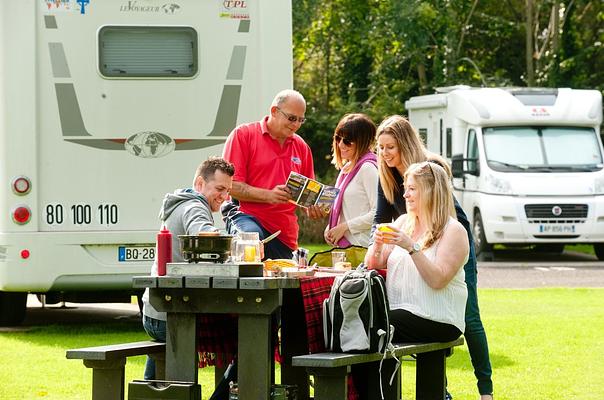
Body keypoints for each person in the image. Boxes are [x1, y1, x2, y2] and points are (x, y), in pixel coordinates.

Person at [366, 115, 494, 400]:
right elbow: (380, 219)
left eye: (390, 147)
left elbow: (443, 217)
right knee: (395, 312)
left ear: (405, 144)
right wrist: (378, 242)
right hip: (415, 231)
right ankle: (440, 391)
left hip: (444, 237)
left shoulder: (429, 171)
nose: (385, 154)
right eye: (381, 147)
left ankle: (485, 390)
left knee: (469, 315)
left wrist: (413, 244)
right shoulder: (387, 176)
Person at [356, 161, 468, 399]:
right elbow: (373, 265)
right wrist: (376, 244)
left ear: (430, 190)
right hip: (400, 313)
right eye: (405, 188)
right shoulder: (403, 221)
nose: (404, 194)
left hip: (438, 317)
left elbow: (438, 280)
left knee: (370, 326)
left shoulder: (454, 231)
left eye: (412, 189)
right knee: (361, 325)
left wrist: (411, 246)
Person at [141, 157, 235, 398]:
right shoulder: (194, 207)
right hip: (170, 314)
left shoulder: (180, 203)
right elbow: (203, 232)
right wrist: (233, 243)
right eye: (220, 189)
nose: (225, 196)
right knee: (252, 339)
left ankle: (152, 392)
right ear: (200, 183)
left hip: (156, 310)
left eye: (228, 191)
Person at [221, 89, 318, 259]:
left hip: (284, 234)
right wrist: (269, 195)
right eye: (291, 118)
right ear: (274, 111)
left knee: (283, 283)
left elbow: (307, 196)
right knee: (251, 243)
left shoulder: (302, 147)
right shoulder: (243, 135)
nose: (296, 125)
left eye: (301, 120)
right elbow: (230, 187)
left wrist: (314, 207)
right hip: (245, 217)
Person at [324, 113, 378, 248]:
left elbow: (378, 213)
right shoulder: (346, 169)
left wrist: (344, 227)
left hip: (361, 247)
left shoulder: (368, 168)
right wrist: (330, 228)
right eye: (338, 138)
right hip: (346, 247)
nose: (341, 144)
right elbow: (345, 210)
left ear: (363, 141)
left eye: (347, 141)